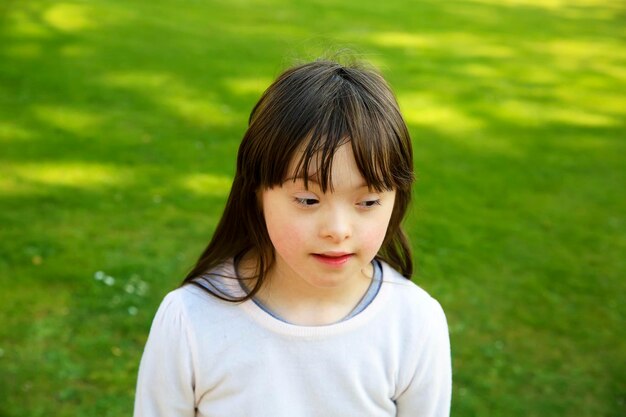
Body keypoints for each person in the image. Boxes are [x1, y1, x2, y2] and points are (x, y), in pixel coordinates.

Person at [133, 59, 452, 417]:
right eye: (308, 200)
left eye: (368, 202)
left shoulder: (415, 324)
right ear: (256, 192)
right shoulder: (190, 321)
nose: (338, 229)